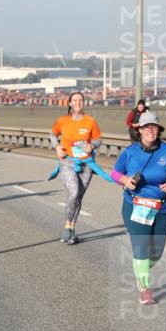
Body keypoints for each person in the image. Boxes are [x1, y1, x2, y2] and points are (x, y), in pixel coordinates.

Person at [112, 112, 166, 306]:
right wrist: (126, 180)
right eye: (147, 127)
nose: (151, 130)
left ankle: (140, 268)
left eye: (154, 127)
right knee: (141, 247)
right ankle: (145, 288)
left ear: (159, 130)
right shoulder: (130, 152)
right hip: (136, 206)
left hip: (162, 208)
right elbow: (115, 173)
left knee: (156, 253)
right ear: (140, 130)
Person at [51, 92, 102, 244]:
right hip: (67, 162)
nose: (78, 102)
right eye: (75, 100)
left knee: (78, 197)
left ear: (83, 103)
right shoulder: (62, 120)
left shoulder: (90, 121)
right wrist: (57, 147)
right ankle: (67, 226)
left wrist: (92, 145)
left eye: (80, 100)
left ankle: (72, 229)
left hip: (86, 164)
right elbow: (52, 134)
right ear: (70, 103)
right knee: (73, 192)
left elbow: (98, 140)